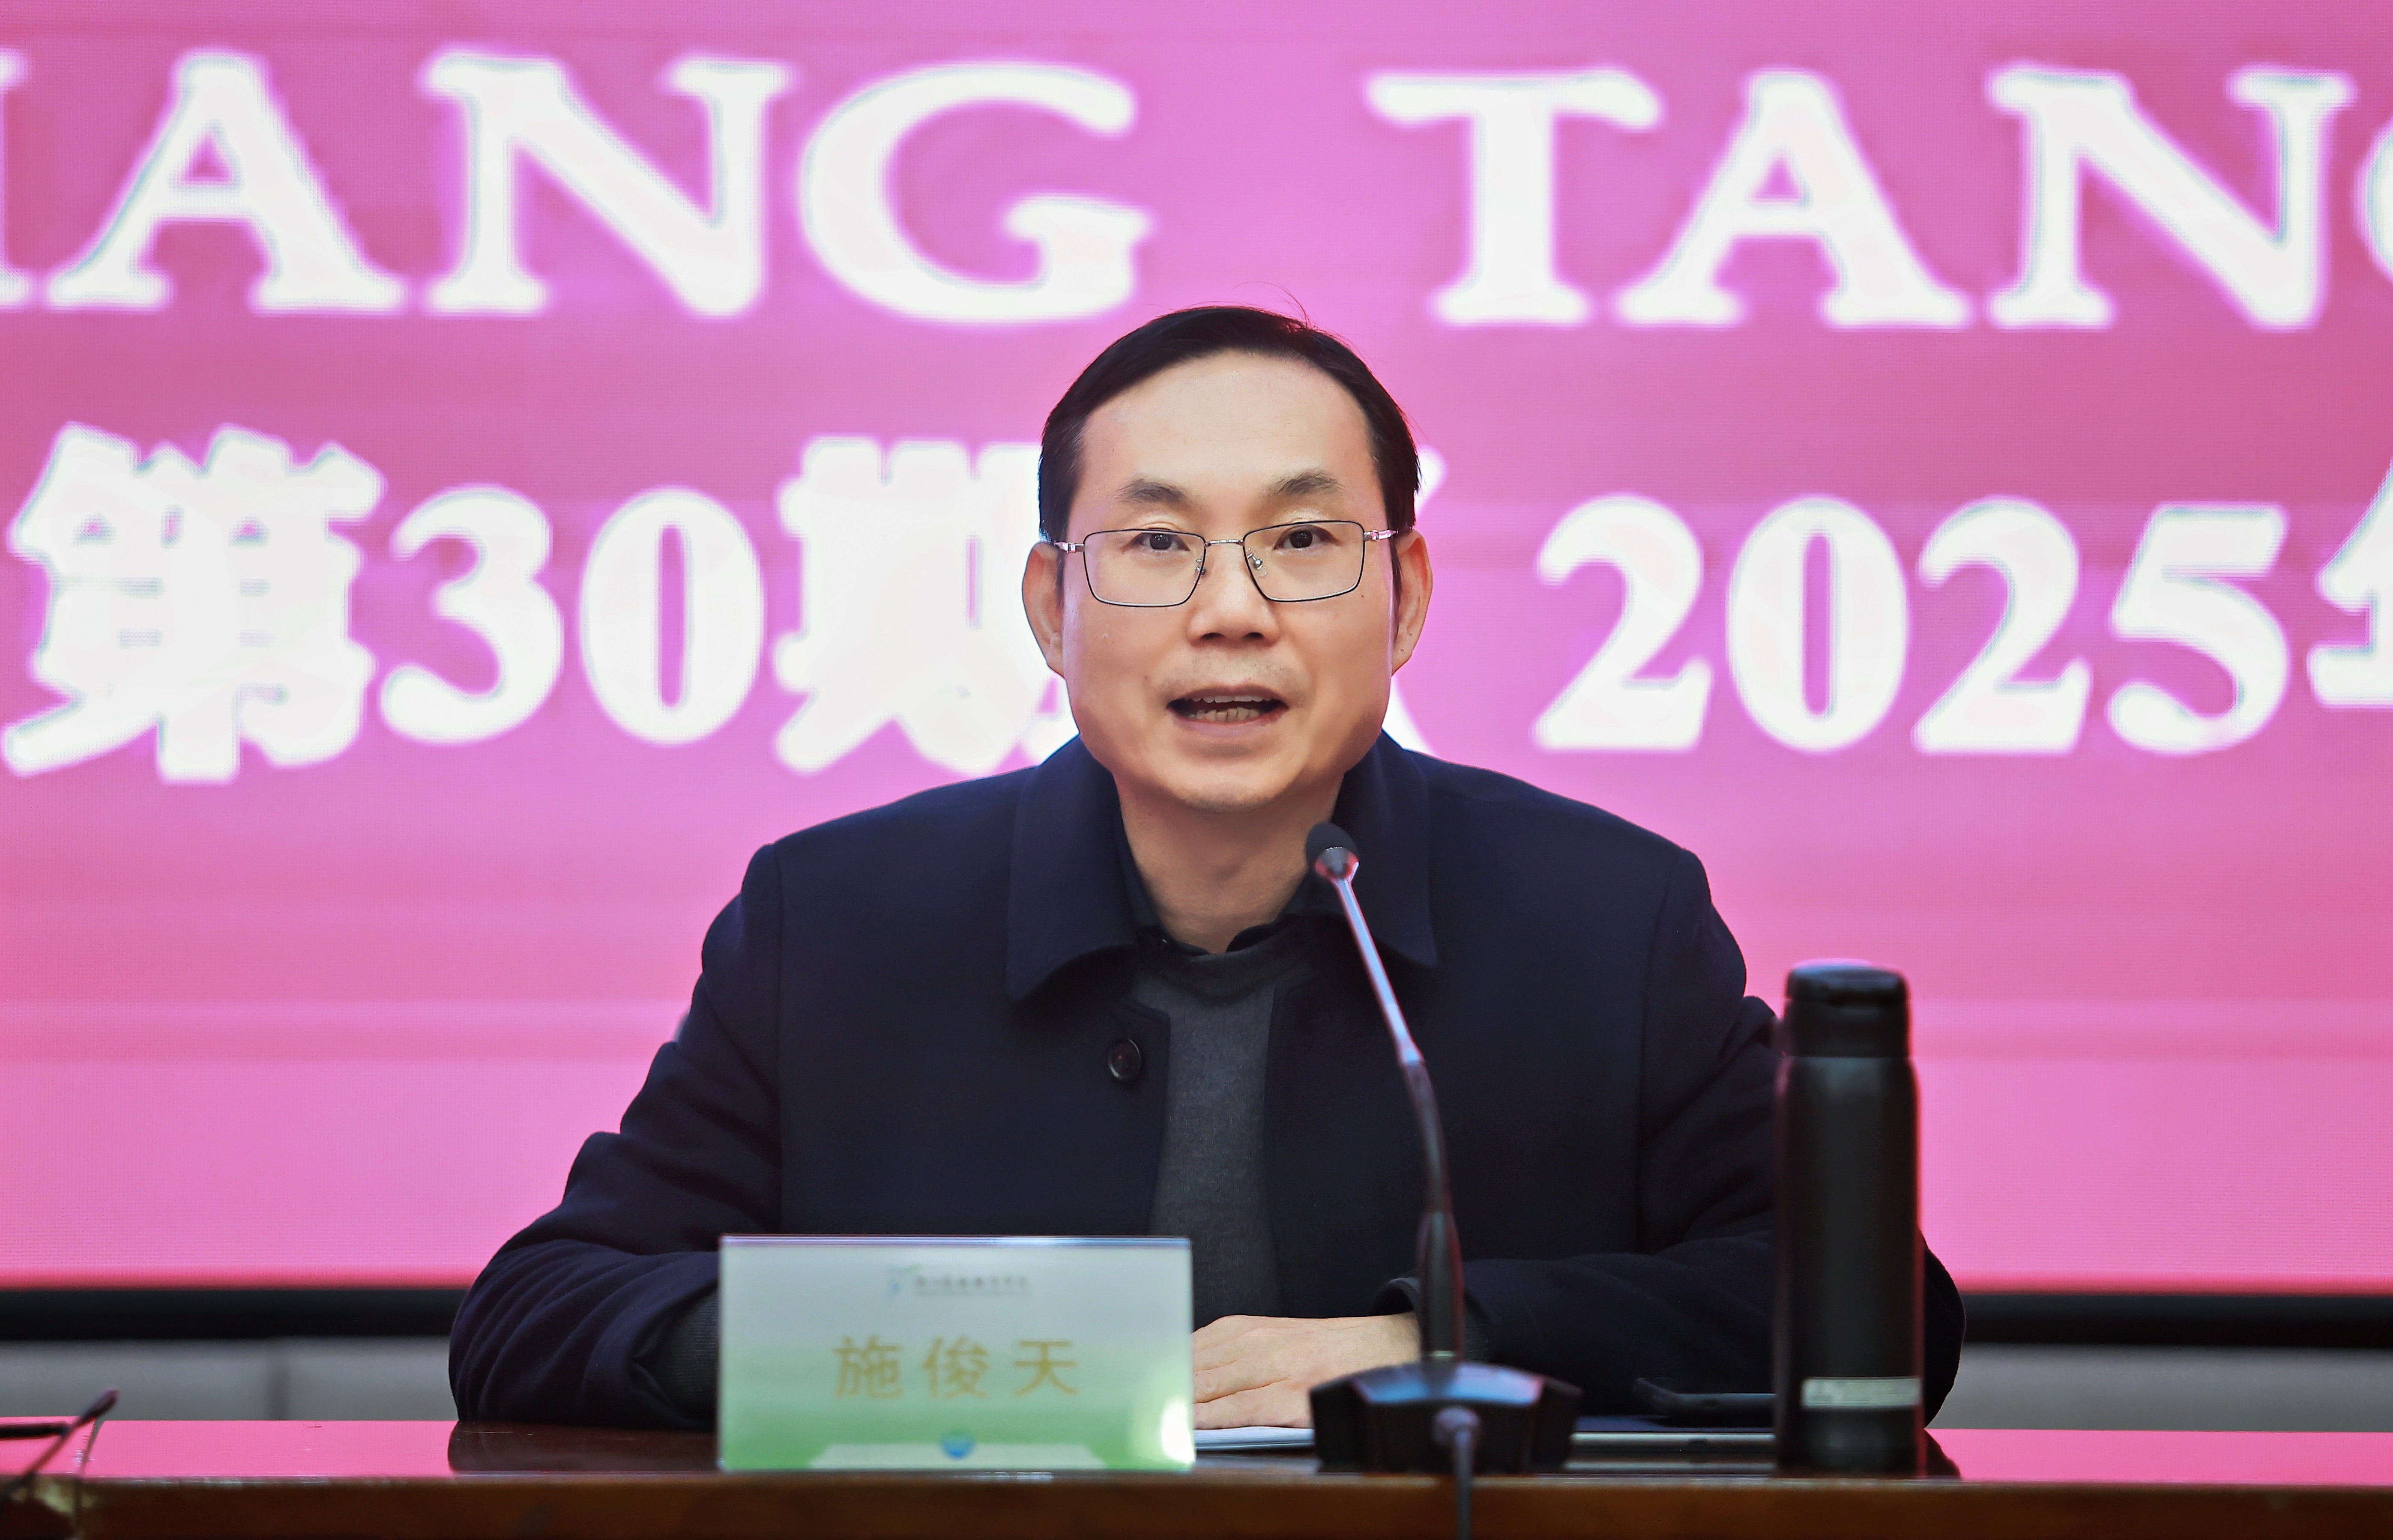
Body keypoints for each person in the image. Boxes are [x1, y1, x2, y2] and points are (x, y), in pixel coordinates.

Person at [449, 305, 1964, 1430]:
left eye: (1301, 542)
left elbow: (1871, 1310)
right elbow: (536, 1314)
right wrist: (921, 1354)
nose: (1230, 610)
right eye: (1157, 545)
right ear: (1050, 612)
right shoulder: (838, 923)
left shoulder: (1603, 919)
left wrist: (1433, 1344)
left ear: (1404, 596)